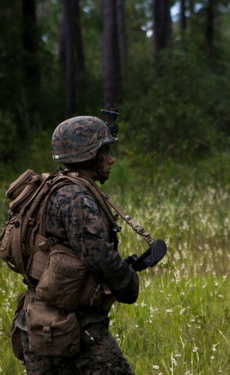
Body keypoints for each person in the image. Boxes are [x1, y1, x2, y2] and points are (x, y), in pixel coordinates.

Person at [13, 115, 140, 374]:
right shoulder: (75, 198)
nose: (111, 159)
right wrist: (128, 282)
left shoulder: (49, 188)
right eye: (104, 152)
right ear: (88, 155)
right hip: (75, 326)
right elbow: (98, 256)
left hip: (38, 321)